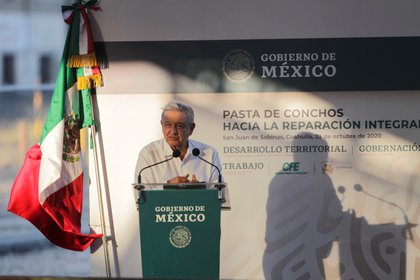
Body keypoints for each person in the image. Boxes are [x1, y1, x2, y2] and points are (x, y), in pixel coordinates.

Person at [134, 101, 223, 186]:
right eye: (168, 125)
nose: (173, 132)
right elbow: (141, 195)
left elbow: (219, 194)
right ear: (162, 125)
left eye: (179, 126)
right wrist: (167, 186)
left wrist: (200, 190)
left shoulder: (209, 155)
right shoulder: (148, 154)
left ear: (191, 128)